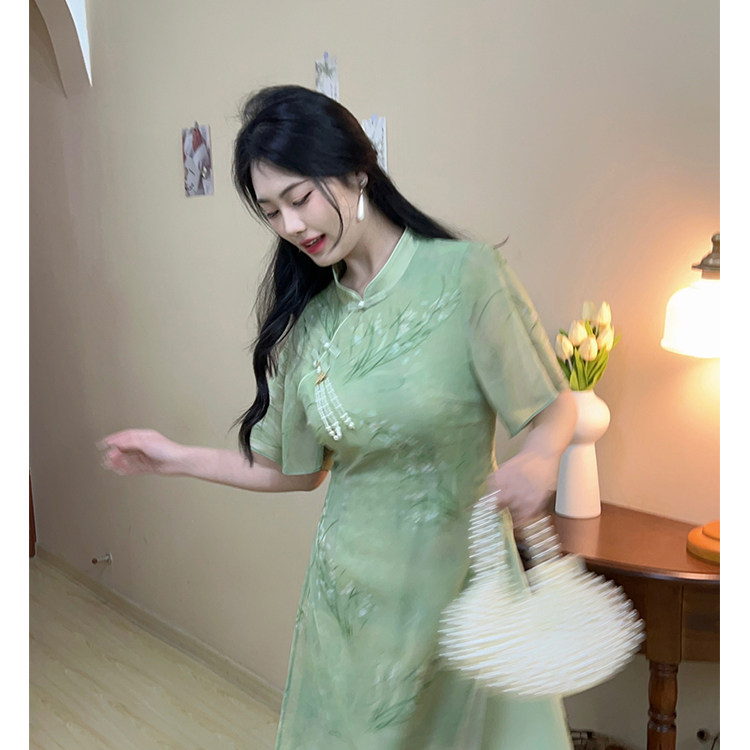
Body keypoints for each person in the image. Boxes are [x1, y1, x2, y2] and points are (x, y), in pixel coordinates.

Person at [99, 85, 577, 750]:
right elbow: (293, 471)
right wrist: (173, 457)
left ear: (356, 170)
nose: (291, 226)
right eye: (272, 211)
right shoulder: (312, 322)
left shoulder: (466, 277)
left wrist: (539, 458)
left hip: (462, 594)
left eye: (299, 197)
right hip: (349, 607)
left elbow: (553, 407)